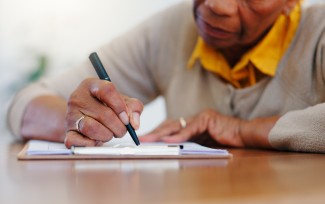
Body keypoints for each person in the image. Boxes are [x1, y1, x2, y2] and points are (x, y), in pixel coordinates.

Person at [7, 0, 325, 153]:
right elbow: (23, 104)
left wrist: (241, 131)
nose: (217, 6)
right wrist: (77, 119)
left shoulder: (319, 32)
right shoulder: (175, 28)